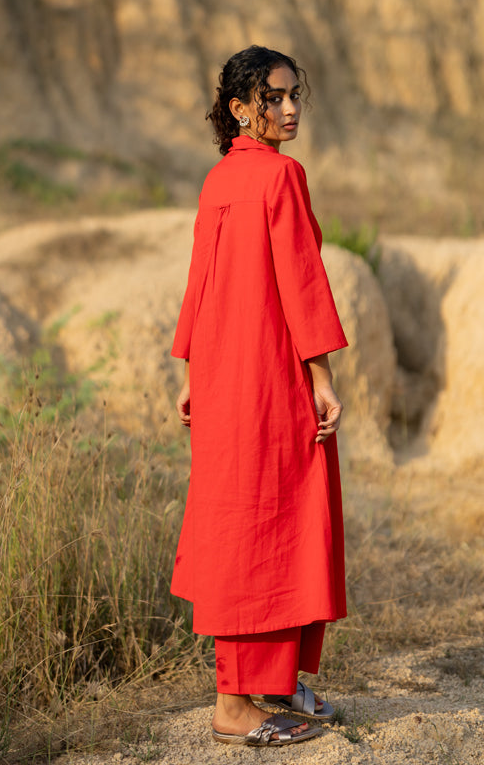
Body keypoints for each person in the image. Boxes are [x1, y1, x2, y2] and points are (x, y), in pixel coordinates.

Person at [171, 45, 347, 747]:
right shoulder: (281, 176)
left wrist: (188, 368)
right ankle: (234, 706)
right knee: (279, 517)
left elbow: (199, 281)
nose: (290, 108)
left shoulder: (219, 180)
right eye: (274, 99)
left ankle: (271, 684)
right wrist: (323, 377)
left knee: (239, 516)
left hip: (221, 375)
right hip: (269, 374)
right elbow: (302, 281)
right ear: (242, 109)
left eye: (294, 94)